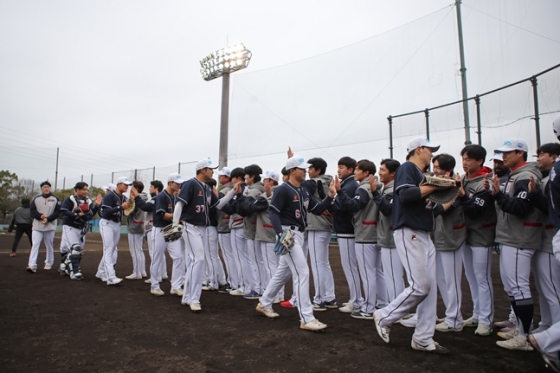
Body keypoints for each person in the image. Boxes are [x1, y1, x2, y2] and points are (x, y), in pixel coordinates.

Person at [373, 137, 452, 354]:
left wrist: (449, 197)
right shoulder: (408, 167)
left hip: (424, 233)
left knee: (429, 289)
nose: (432, 154)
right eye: (429, 150)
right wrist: (434, 185)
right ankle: (385, 316)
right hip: (410, 232)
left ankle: (423, 338)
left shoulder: (424, 176)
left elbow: (430, 210)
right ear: (418, 149)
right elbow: (406, 196)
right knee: (421, 286)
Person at [254, 154, 336, 331]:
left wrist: (329, 197)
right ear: (292, 171)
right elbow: (274, 212)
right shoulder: (283, 189)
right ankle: (306, 317)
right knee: (302, 272)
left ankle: (264, 302)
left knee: (283, 273)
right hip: (287, 232)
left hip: (298, 233)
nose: (305, 171)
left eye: (306, 168)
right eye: (302, 169)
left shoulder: (303, 190)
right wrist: (280, 234)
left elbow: (317, 209)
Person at [492, 138, 542, 351]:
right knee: (512, 287)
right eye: (503, 153)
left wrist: (498, 196)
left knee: (519, 288)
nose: (504, 156)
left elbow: (520, 207)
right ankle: (520, 328)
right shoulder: (516, 174)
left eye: (509, 152)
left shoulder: (525, 175)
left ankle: (524, 335)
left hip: (519, 238)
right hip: (511, 236)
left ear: (521, 153)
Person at [172, 158, 237, 312]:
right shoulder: (190, 184)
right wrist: (176, 226)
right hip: (190, 226)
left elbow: (218, 205)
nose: (213, 171)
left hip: (201, 228)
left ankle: (187, 296)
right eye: (210, 168)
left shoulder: (207, 188)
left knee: (195, 260)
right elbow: (179, 204)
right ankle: (194, 299)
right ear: (202, 170)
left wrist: (233, 191)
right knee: (199, 259)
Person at [335, 159, 387, 320]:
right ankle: (382, 303)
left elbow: (353, 206)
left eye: (358, 170)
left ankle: (369, 308)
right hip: (374, 233)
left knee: (368, 272)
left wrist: (340, 192)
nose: (355, 172)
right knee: (376, 271)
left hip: (365, 235)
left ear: (366, 173)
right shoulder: (376, 186)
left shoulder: (363, 188)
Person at [458, 144, 496, 336]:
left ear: (479, 161)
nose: (465, 163)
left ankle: (486, 320)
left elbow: (475, 210)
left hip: (482, 235)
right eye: (463, 159)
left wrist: (463, 196)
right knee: (472, 277)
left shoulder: (486, 182)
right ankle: (477, 314)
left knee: (482, 278)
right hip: (466, 234)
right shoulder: (463, 179)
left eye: (469, 159)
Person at [430, 154, 466, 333]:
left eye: (438, 167)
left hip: (451, 237)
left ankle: (455, 318)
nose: (435, 170)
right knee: (442, 278)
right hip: (439, 237)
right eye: (434, 166)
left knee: (451, 279)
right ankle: (451, 313)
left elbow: (443, 210)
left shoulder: (453, 185)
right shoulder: (436, 183)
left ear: (448, 170)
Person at [527, 143, 560, 333]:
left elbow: (551, 210)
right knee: (543, 288)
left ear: (554, 157)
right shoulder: (546, 179)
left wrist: (535, 195)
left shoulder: (553, 180)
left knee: (552, 289)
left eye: (542, 154)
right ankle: (546, 325)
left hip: (551, 237)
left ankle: (555, 332)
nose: (538, 158)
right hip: (543, 238)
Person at [301, 157, 337, 311]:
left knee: (317, 263)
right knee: (323, 263)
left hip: (317, 224)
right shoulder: (328, 181)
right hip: (325, 224)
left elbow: (297, 184)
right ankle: (329, 297)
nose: (308, 171)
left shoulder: (314, 182)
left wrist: (291, 161)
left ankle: (320, 299)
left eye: (310, 168)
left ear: (318, 170)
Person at [332, 156, 363, 314]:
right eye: (339, 166)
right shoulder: (348, 184)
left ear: (350, 169)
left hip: (347, 230)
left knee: (350, 267)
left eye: (342, 167)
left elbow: (341, 207)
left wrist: (332, 201)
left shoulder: (349, 185)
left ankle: (357, 300)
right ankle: (355, 298)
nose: (339, 170)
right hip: (346, 230)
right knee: (350, 267)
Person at [371, 159, 404, 303]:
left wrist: (375, 193)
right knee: (392, 275)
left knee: (394, 276)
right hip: (389, 237)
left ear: (393, 173)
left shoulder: (393, 189)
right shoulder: (388, 187)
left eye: (383, 170)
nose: (380, 172)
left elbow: (388, 210)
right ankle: (397, 306)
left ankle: (397, 307)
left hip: (391, 239)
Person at [149, 173, 186, 297]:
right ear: (170, 183)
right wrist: (178, 217)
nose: (179, 185)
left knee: (178, 257)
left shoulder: (176, 197)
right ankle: (154, 286)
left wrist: (178, 224)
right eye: (177, 183)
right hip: (160, 228)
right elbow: (162, 215)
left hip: (171, 228)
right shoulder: (161, 197)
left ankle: (175, 286)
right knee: (157, 258)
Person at [58, 182, 102, 280]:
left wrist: (96, 206)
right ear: (77, 190)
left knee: (79, 252)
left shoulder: (88, 201)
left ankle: (65, 265)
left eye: (87, 189)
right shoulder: (70, 199)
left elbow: (90, 215)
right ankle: (74, 272)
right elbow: (63, 211)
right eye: (84, 189)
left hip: (81, 228)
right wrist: (76, 215)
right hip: (70, 226)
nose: (86, 191)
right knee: (76, 249)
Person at [95, 176, 133, 286]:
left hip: (117, 224)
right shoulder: (110, 196)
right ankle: (111, 277)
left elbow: (127, 211)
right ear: (119, 184)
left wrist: (131, 202)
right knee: (109, 249)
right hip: (107, 223)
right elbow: (106, 212)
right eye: (125, 184)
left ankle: (100, 272)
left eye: (128, 185)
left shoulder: (124, 198)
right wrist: (120, 207)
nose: (127, 187)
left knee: (111, 250)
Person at [236, 164, 266, 299]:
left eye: (246, 175)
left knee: (254, 260)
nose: (245, 178)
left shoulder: (254, 190)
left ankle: (257, 288)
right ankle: (260, 288)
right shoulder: (258, 188)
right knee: (258, 260)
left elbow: (244, 209)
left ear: (252, 176)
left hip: (253, 229)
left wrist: (239, 198)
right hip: (255, 229)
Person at [134, 180, 166, 284]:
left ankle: (156, 277)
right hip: (157, 227)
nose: (149, 188)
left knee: (154, 253)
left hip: (153, 227)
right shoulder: (161, 197)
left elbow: (145, 207)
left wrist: (137, 197)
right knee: (160, 253)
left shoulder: (156, 198)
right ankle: (163, 273)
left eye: (151, 186)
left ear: (156, 188)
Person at [26, 181, 61, 273]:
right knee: (35, 245)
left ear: (50, 188)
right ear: (41, 188)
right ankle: (32, 265)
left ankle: (49, 263)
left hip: (50, 226)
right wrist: (40, 216)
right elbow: (32, 211)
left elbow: (57, 212)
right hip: (37, 226)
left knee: (49, 245)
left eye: (48, 187)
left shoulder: (55, 199)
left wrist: (48, 219)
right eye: (44, 187)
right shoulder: (36, 199)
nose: (46, 188)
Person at [202, 177, 228, 292]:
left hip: (210, 228)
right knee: (214, 256)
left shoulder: (211, 198)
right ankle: (221, 280)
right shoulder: (211, 198)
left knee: (211, 256)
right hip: (211, 228)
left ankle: (213, 282)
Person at [125, 181, 148, 280]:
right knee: (139, 250)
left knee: (135, 251)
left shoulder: (136, 199)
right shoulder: (144, 198)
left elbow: (129, 212)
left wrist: (130, 201)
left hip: (134, 226)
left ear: (136, 189)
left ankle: (137, 273)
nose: (131, 190)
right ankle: (142, 271)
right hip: (141, 226)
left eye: (132, 188)